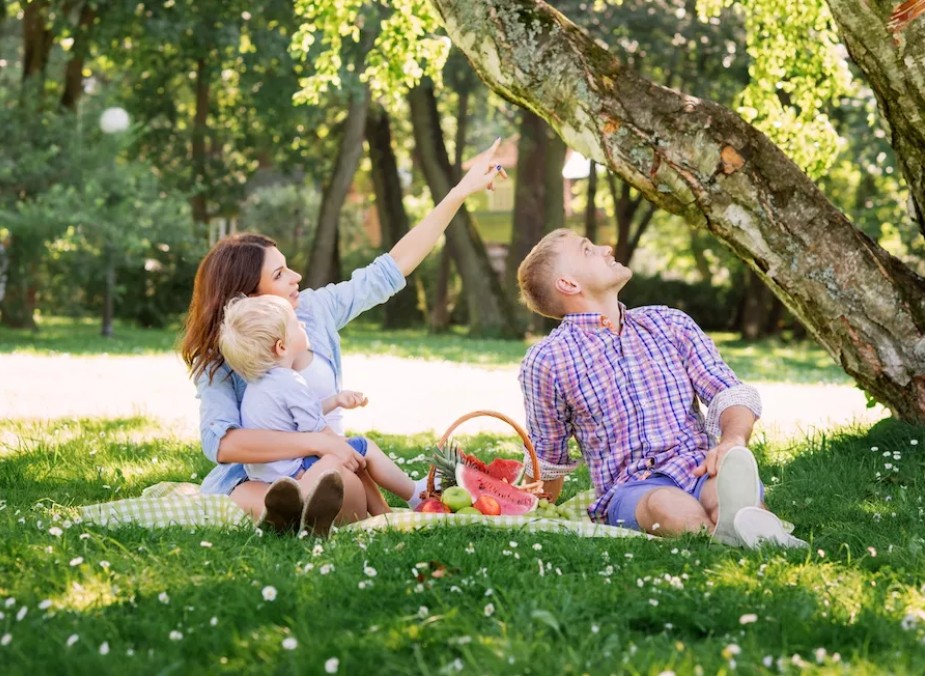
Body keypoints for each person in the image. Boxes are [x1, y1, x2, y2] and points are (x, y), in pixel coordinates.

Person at [180, 139, 507, 531]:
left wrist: (459, 193)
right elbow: (223, 444)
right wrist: (319, 442)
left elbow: (392, 268)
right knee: (256, 497)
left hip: (325, 467)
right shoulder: (220, 356)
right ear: (246, 295)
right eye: (280, 274)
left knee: (341, 486)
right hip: (255, 478)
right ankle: (290, 510)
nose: (296, 277)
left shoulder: (313, 311)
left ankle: (297, 513)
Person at [516, 229, 806, 549]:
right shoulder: (548, 360)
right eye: (587, 250)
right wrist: (522, 504)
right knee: (666, 506)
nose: (606, 248)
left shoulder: (668, 324)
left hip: (698, 467)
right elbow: (548, 453)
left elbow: (728, 392)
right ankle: (735, 539)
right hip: (633, 490)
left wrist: (733, 440)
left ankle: (742, 522)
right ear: (568, 284)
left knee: (721, 492)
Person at [217, 293, 424, 534]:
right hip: (296, 470)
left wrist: (335, 401)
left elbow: (299, 415)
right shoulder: (291, 382)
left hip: (267, 474)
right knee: (362, 447)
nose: (302, 325)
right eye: (295, 324)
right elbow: (318, 431)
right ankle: (408, 500)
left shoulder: (258, 385)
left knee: (350, 453)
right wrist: (343, 447)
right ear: (282, 346)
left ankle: (313, 509)